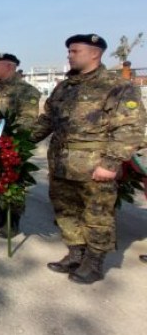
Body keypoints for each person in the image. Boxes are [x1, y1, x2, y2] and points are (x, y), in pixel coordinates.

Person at [31, 34, 145, 284]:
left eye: (74, 51)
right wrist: (21, 141)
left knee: (97, 215)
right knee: (65, 209)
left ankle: (94, 262)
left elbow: (129, 128)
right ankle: (75, 253)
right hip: (61, 162)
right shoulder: (64, 87)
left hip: (95, 165)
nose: (69, 55)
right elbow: (47, 120)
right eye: (69, 51)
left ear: (95, 53)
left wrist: (110, 163)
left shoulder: (116, 86)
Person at [0, 53, 41, 238]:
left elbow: (27, 120)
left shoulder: (26, 91)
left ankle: (13, 221)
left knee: (12, 183)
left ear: (10, 67)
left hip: (10, 145)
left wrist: (12, 141)